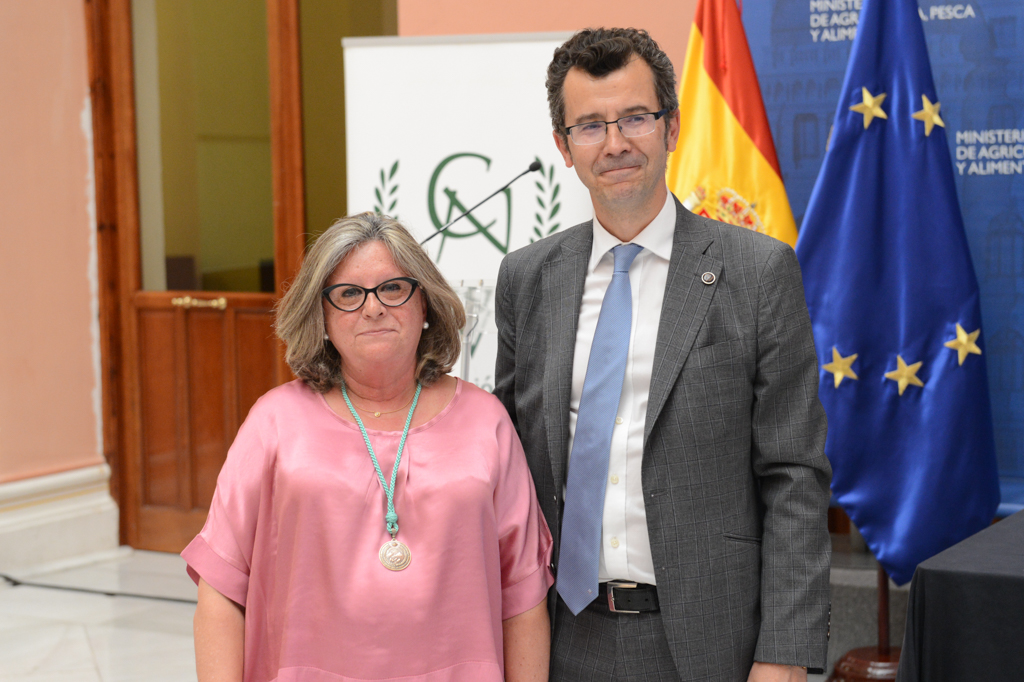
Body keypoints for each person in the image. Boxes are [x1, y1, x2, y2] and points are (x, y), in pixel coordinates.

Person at [493, 28, 832, 682]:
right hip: (561, 637)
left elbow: (794, 475)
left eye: (635, 118)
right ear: (563, 147)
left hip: (713, 643)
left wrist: (784, 654)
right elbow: (503, 459)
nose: (615, 143)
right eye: (590, 126)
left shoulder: (757, 272)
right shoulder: (528, 279)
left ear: (672, 127)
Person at [183, 212, 553, 682]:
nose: (373, 308)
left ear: (425, 303)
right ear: (321, 316)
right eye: (348, 294)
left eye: (393, 288)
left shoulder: (486, 421)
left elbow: (523, 595)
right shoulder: (274, 421)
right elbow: (221, 588)